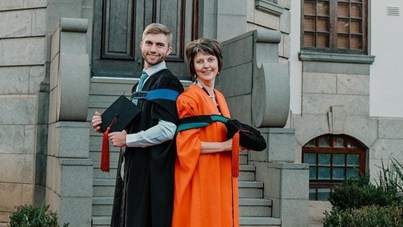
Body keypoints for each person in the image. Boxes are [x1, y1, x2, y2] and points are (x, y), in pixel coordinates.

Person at [91, 23, 184, 227]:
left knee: (144, 218)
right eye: (149, 43)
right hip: (134, 163)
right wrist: (106, 128)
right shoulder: (140, 84)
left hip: (153, 168)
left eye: (160, 45)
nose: (153, 49)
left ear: (169, 50)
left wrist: (129, 140)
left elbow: (168, 129)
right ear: (141, 45)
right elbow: (136, 122)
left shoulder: (167, 82)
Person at [172, 38, 243, 227]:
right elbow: (186, 145)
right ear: (193, 67)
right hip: (201, 175)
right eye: (199, 61)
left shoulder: (219, 97)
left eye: (210, 60)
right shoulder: (188, 99)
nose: (206, 66)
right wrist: (225, 146)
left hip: (220, 174)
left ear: (219, 64)